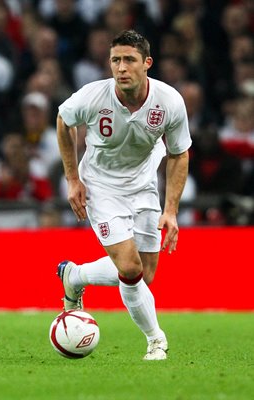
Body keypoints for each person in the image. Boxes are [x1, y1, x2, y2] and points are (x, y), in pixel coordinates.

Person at [56, 30, 191, 361]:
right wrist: (73, 179)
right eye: (115, 60)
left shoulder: (169, 101)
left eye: (129, 60)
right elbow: (63, 120)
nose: (121, 68)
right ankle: (155, 339)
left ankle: (75, 275)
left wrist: (171, 211)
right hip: (101, 186)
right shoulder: (93, 96)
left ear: (147, 63)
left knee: (145, 273)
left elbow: (179, 153)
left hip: (143, 184)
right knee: (130, 270)